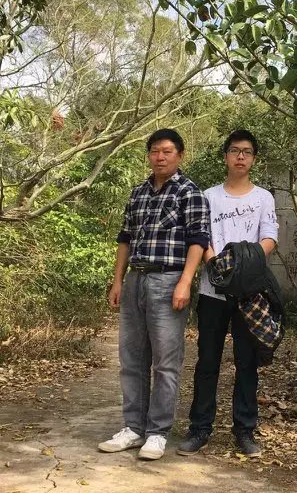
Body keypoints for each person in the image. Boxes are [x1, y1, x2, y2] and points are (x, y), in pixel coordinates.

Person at [98, 129, 210, 460]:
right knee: (131, 358)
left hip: (168, 279)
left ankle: (158, 432)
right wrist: (118, 280)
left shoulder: (190, 192)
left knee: (165, 362)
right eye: (155, 151)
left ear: (180, 155)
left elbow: (198, 240)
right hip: (136, 280)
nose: (160, 157)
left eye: (167, 151)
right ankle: (133, 428)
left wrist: (185, 282)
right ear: (149, 155)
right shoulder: (138, 192)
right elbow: (125, 238)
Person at [178, 129, 278, 458]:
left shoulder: (263, 198)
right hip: (213, 292)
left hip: (250, 294)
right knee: (208, 361)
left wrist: (244, 266)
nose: (240, 156)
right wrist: (217, 266)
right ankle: (200, 428)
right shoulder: (209, 196)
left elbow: (269, 238)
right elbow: (201, 235)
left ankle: (244, 430)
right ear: (225, 156)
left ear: (254, 159)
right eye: (234, 150)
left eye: (246, 152)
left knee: (247, 363)